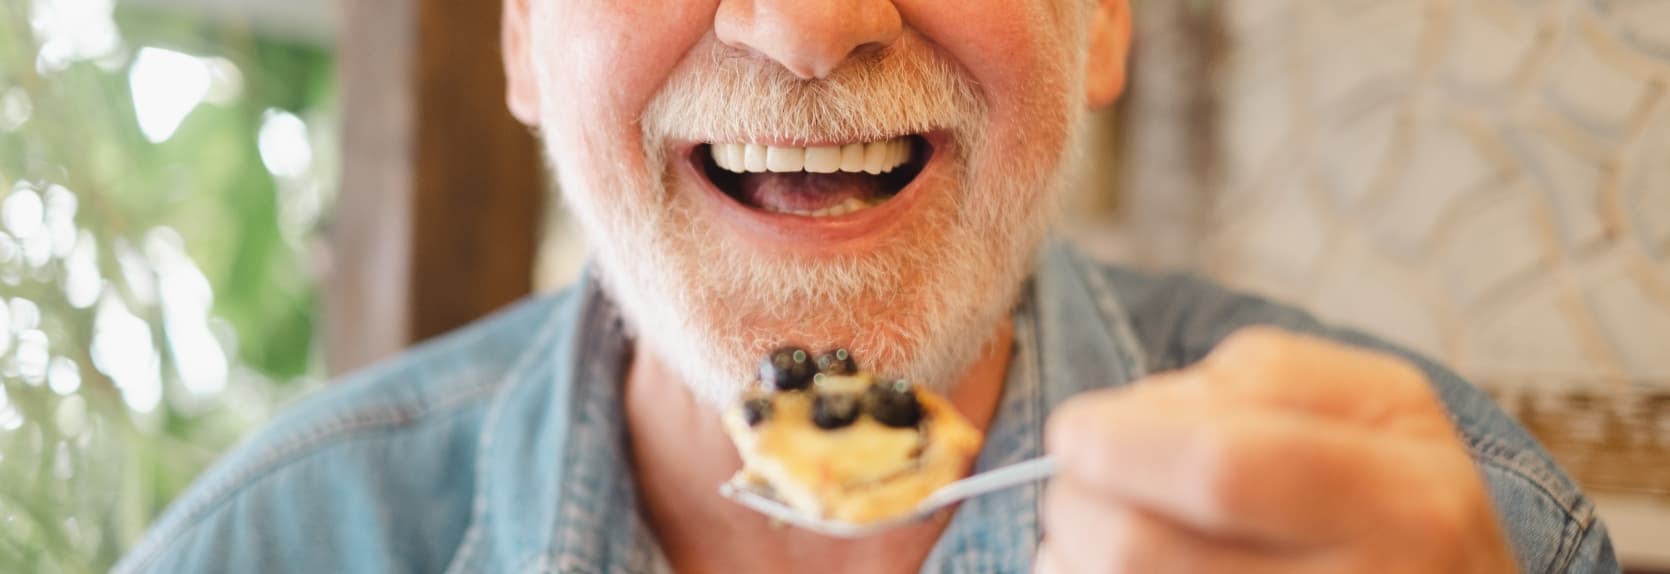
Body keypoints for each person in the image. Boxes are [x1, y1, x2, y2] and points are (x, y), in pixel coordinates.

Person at [117, 0, 1618, 572]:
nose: (809, 27)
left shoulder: (1483, 527)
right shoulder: (255, 554)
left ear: (1101, 19)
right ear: (519, 40)